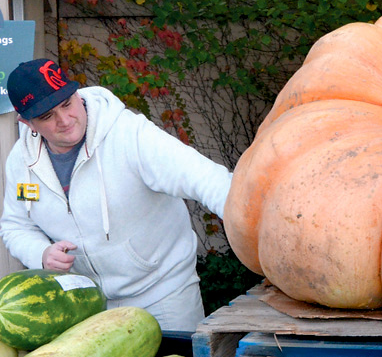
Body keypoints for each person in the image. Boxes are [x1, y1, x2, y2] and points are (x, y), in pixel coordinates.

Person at [0, 58, 233, 332]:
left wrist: (257, 226)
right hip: (88, 308)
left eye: (67, 104)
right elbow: (16, 226)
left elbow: (207, 180)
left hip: (164, 296)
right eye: (47, 116)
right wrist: (41, 253)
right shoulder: (21, 160)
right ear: (26, 122)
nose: (64, 120)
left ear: (76, 93)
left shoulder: (129, 134)